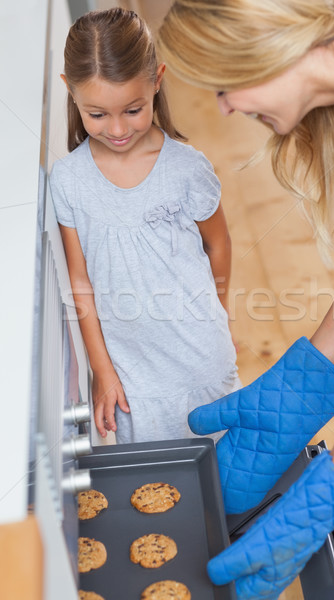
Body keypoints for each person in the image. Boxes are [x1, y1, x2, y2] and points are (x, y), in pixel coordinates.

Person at [158, 0, 334, 597]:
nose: (225, 107)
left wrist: (322, 499)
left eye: (224, 84)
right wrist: (295, 388)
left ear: (262, 52)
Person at [49, 8, 240, 444]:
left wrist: (221, 316)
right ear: (70, 91)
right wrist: (102, 370)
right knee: (160, 487)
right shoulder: (69, 181)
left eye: (132, 110)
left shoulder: (187, 168)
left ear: (157, 81)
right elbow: (79, 281)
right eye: (97, 115)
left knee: (226, 474)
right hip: (135, 378)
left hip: (201, 357)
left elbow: (219, 245)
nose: (117, 129)